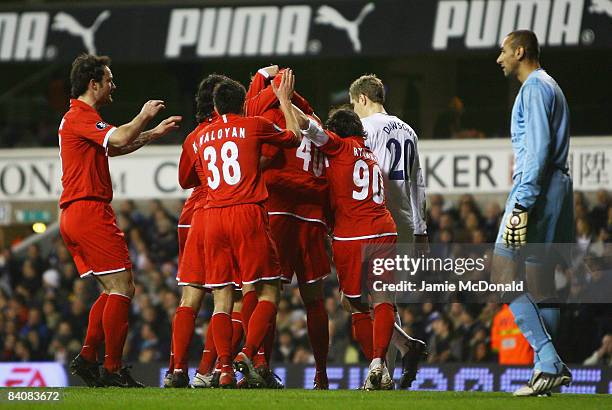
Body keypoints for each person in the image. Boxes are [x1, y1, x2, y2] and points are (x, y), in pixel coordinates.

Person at [60, 54, 181, 387]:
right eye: (109, 80)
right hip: (88, 210)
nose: (114, 85)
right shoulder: (79, 116)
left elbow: (114, 149)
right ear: (93, 84)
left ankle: (87, 359)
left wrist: (153, 133)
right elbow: (118, 138)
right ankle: (112, 368)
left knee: (111, 290)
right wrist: (143, 115)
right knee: (123, 287)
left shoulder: (82, 120)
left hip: (78, 212)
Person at [274, 69, 397, 390]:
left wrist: (285, 100)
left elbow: (305, 126)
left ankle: (376, 367)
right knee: (384, 297)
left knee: (353, 303)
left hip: (352, 234)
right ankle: (379, 365)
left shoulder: (338, 147)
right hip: (384, 228)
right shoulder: (371, 156)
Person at [196, 77, 301, 388]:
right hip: (246, 212)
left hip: (213, 216)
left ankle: (223, 368)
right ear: (242, 104)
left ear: (215, 107)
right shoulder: (253, 124)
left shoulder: (201, 136)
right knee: (269, 288)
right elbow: (293, 137)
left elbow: (195, 177)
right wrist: (283, 99)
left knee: (221, 298)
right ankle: (247, 352)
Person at [493, 30, 573, 396]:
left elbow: (538, 151)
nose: (500, 58)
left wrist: (523, 201)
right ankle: (548, 375)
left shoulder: (534, 89)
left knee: (502, 275)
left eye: (504, 51)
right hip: (557, 189)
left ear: (520, 51)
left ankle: (547, 360)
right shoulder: (552, 86)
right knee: (541, 285)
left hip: (536, 192)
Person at [244, 65, 331, 389]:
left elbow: (262, 151)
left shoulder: (274, 116)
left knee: (265, 291)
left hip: (279, 207)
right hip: (312, 216)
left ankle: (258, 361)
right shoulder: (316, 121)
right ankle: (321, 375)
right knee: (314, 300)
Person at [164, 74, 247, 389]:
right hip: (219, 214)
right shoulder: (237, 129)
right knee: (232, 298)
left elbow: (185, 179)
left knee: (190, 295)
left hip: (190, 218)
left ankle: (176, 369)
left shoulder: (196, 134)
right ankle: (209, 369)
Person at [349, 74, 427, 388]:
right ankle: (405, 348)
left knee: (374, 298)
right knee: (375, 297)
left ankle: (384, 372)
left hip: (379, 219)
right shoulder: (409, 130)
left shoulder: (364, 130)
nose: (354, 111)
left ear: (363, 99)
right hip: (406, 220)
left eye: (354, 104)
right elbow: (418, 181)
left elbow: (365, 174)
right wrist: (421, 228)